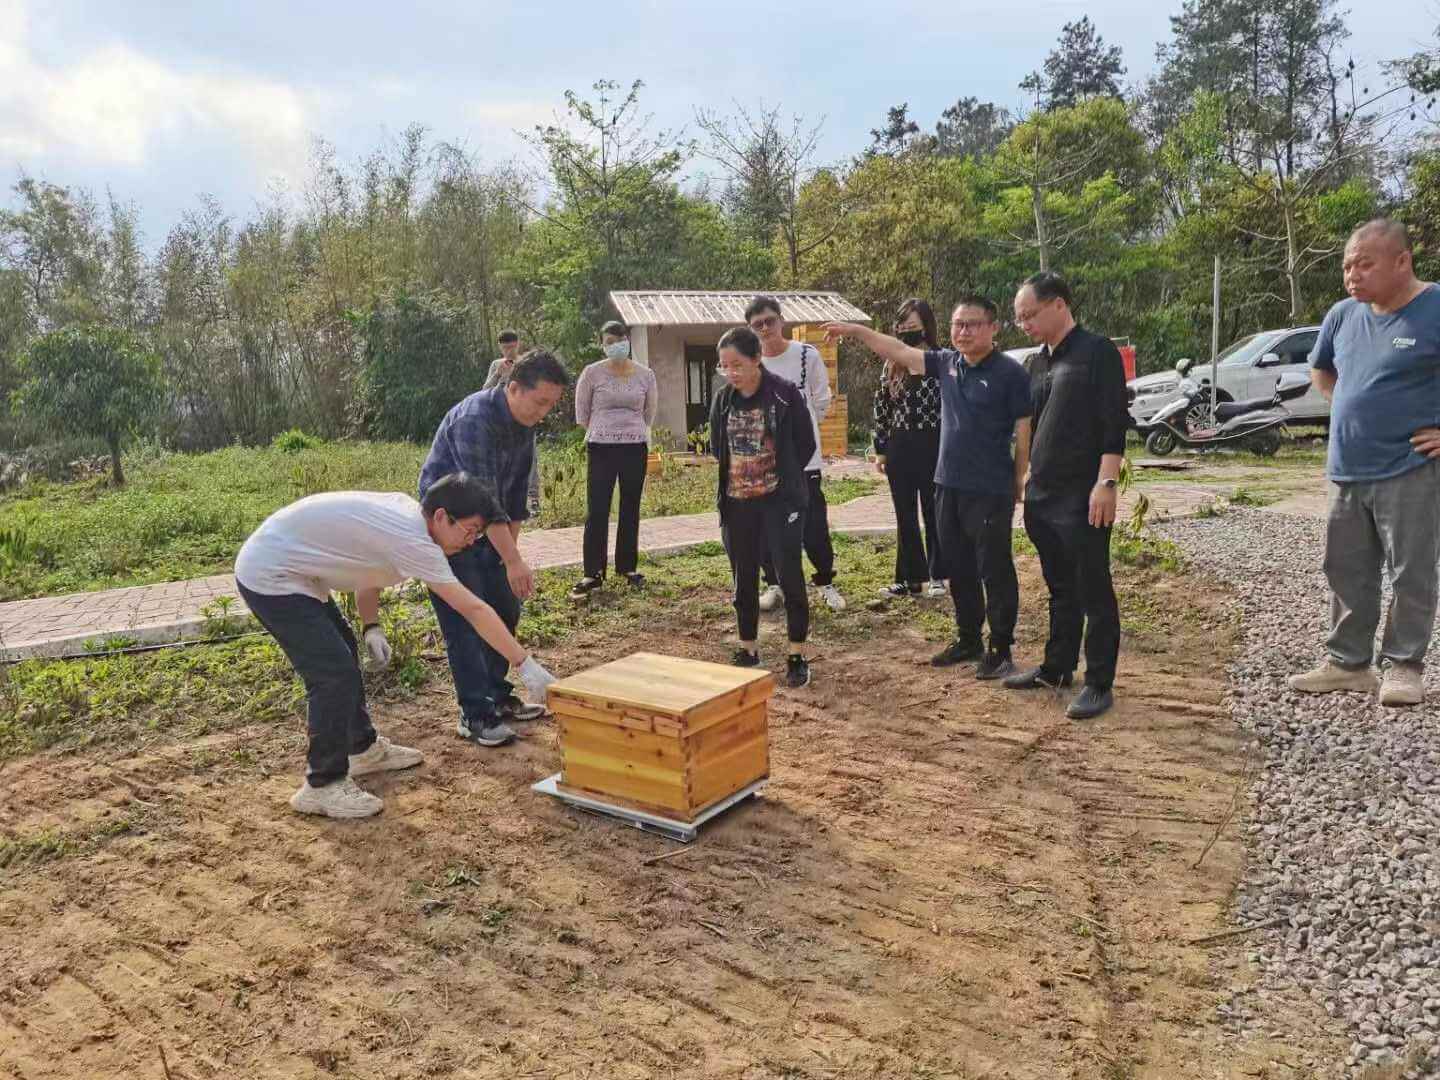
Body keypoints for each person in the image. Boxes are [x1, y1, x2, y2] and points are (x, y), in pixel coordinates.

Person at [235, 473, 557, 819]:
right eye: (470, 530)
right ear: (441, 516)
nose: (471, 541)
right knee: (332, 674)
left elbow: (368, 569)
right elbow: (474, 609)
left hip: (295, 569)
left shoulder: (408, 522)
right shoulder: (413, 539)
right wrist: (524, 664)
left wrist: (370, 626)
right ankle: (322, 784)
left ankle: (361, 750)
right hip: (271, 573)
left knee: (343, 652)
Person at [824, 295, 1032, 680]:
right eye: (958, 324)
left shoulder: (1010, 372)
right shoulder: (946, 363)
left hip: (989, 488)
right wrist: (855, 330)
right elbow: (898, 350)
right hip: (947, 484)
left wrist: (1019, 478)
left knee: (994, 568)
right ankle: (968, 638)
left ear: (993, 328)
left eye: (972, 324)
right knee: (958, 566)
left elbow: (1023, 429)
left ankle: (1000, 648)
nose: (963, 332)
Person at [1289, 219, 1440, 707]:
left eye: (1364, 264)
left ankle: (1405, 666)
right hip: (1346, 468)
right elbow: (1321, 367)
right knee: (1345, 568)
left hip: (1410, 466)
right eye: (1347, 266)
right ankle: (1349, 664)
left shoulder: (1434, 308)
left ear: (1402, 261)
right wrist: (1344, 403)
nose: (1352, 275)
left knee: (1411, 571)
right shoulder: (1342, 314)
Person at [420, 349, 570, 747]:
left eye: (551, 405)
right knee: (466, 620)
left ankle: (497, 695)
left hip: (489, 529)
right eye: (540, 402)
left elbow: (514, 498)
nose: (543, 412)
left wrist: (509, 560)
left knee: (504, 607)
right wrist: (513, 559)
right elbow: (484, 500)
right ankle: (474, 714)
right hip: (451, 532)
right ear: (514, 388)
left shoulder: (524, 425)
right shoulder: (475, 419)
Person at [1005, 271, 1128, 719]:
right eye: (1019, 318)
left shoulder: (1097, 353)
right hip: (1043, 494)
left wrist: (1106, 483)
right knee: (1059, 587)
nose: (1025, 324)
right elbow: (1030, 427)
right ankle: (1057, 667)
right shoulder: (1036, 364)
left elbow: (1114, 422)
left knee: (1093, 587)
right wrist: (1021, 479)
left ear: (1059, 304)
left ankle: (1099, 682)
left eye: (1030, 315)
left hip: (1083, 494)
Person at [710, 325, 816, 689]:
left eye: (737, 365)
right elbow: (718, 447)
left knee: (789, 575)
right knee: (743, 578)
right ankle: (748, 648)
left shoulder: (784, 394)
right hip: (737, 503)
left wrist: (781, 480)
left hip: (780, 502)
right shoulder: (723, 399)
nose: (731, 373)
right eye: (724, 366)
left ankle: (797, 654)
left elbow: (805, 444)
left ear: (757, 359)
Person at [744, 295, 847, 614]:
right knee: (765, 526)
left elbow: (821, 399)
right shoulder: (751, 362)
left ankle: (826, 582)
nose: (765, 328)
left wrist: (802, 431)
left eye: (769, 321)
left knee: (813, 523)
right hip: (764, 461)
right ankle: (774, 584)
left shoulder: (806, 355)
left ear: (781, 320)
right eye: (757, 325)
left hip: (804, 460)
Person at [571, 321, 659, 599]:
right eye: (609, 341)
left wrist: (629, 430)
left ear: (627, 340)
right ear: (602, 344)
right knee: (597, 508)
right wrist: (607, 430)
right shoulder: (592, 373)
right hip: (601, 447)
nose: (616, 345)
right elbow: (582, 413)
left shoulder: (646, 375)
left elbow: (649, 413)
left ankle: (627, 567)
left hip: (635, 446)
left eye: (620, 339)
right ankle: (593, 572)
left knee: (630, 506)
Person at [872, 299, 946, 600]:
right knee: (904, 513)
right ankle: (909, 578)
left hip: (934, 444)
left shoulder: (941, 361)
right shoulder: (892, 364)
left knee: (934, 511)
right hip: (900, 445)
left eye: (912, 326)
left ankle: (939, 575)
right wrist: (881, 448)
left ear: (926, 327)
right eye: (901, 327)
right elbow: (882, 407)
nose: (906, 332)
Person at [483, 330, 542, 515]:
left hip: (524, 417)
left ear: (518, 344)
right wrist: (498, 374)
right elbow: (484, 392)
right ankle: (502, 499)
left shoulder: (527, 363)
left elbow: (536, 390)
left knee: (529, 458)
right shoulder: (496, 364)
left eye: (512, 347)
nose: (509, 351)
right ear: (500, 347)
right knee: (502, 459)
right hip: (501, 419)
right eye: (505, 348)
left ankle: (533, 499)